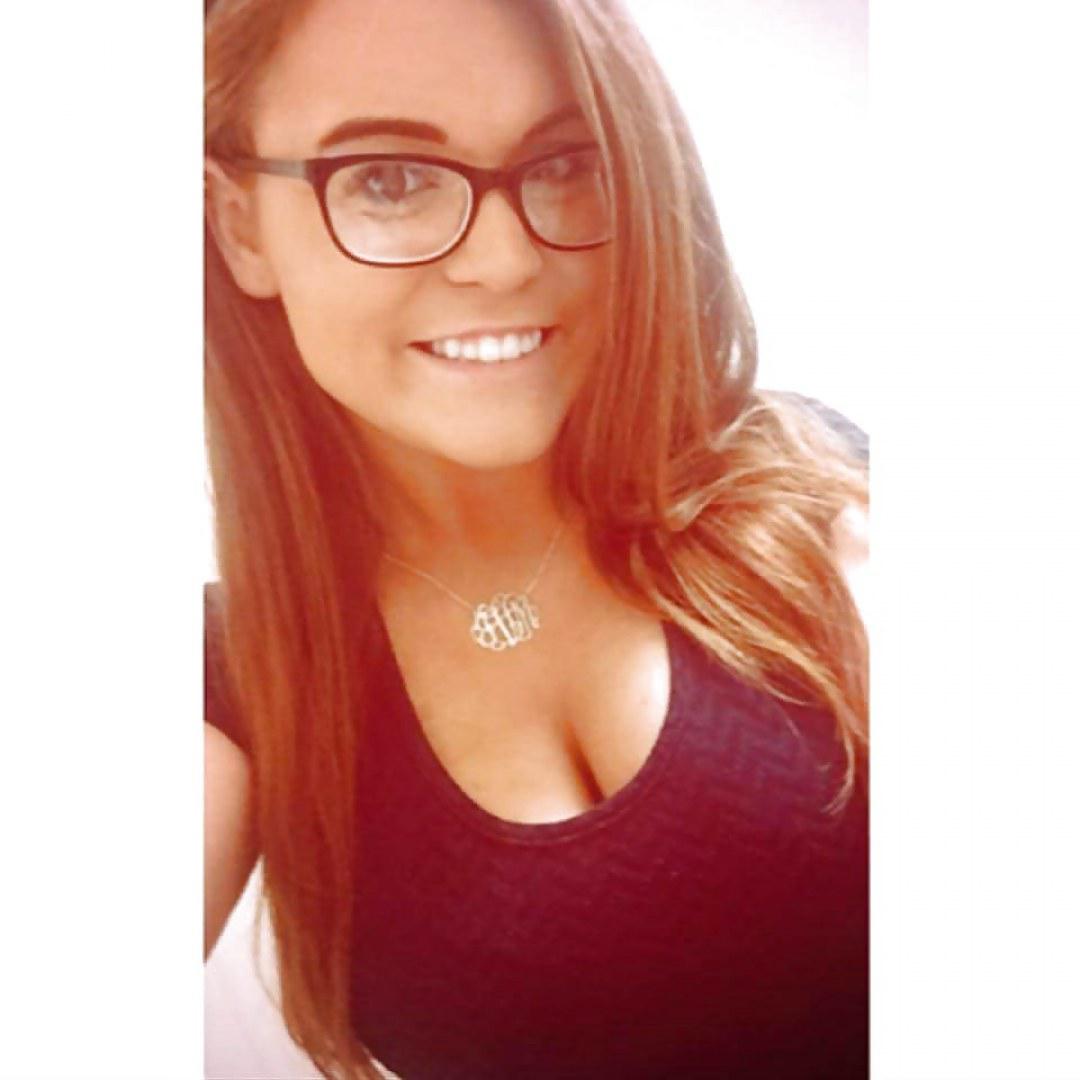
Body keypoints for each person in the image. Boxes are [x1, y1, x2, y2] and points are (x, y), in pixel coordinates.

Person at [203, 0, 870, 1076]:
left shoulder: (813, 491)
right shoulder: (238, 678)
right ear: (240, 227)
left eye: (565, 163)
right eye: (389, 180)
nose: (506, 260)